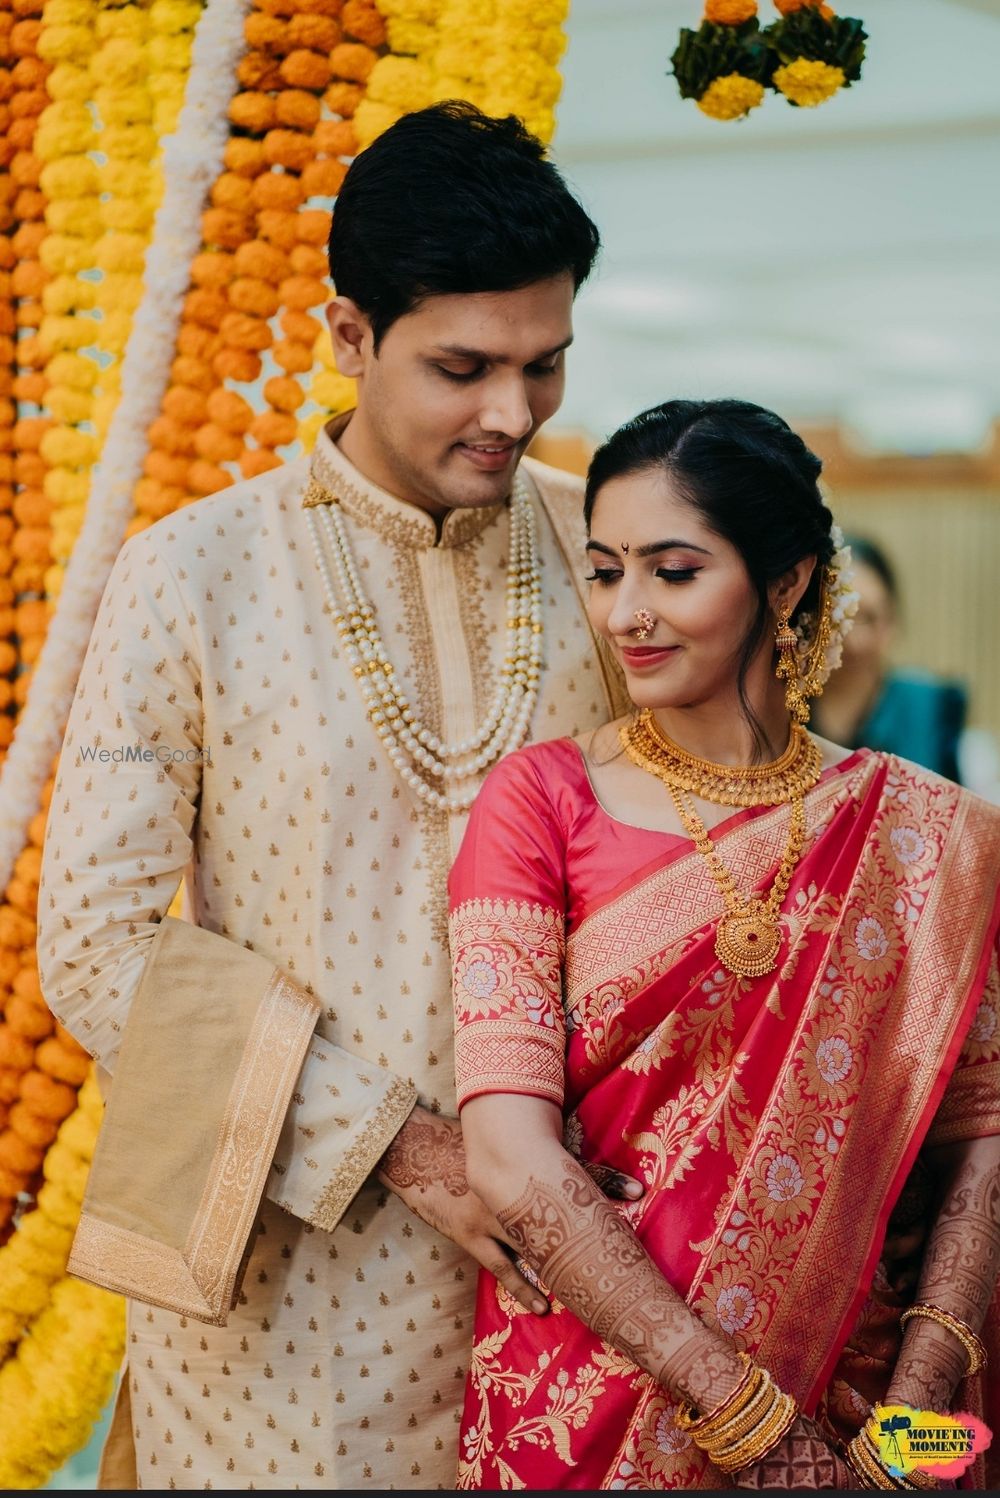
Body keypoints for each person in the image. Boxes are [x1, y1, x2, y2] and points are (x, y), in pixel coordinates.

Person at [36, 102, 633, 1491]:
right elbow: (99, 941)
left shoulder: (610, 549)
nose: (512, 412)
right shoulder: (193, 575)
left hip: (583, 1255)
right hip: (294, 1281)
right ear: (350, 336)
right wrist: (413, 1149)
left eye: (545, 365)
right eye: (463, 366)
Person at [448, 398, 1000, 1491]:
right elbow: (510, 1157)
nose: (628, 612)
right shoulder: (541, 800)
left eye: (673, 570)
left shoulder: (931, 831)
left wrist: (910, 1422)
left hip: (871, 1392)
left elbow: (982, 1140)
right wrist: (756, 1429)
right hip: (589, 1395)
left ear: (786, 581)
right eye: (605, 572)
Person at [811, 534, 968, 784]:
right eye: (840, 620)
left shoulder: (930, 706)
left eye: (869, 618)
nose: (855, 640)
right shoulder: (784, 705)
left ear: (892, 620)